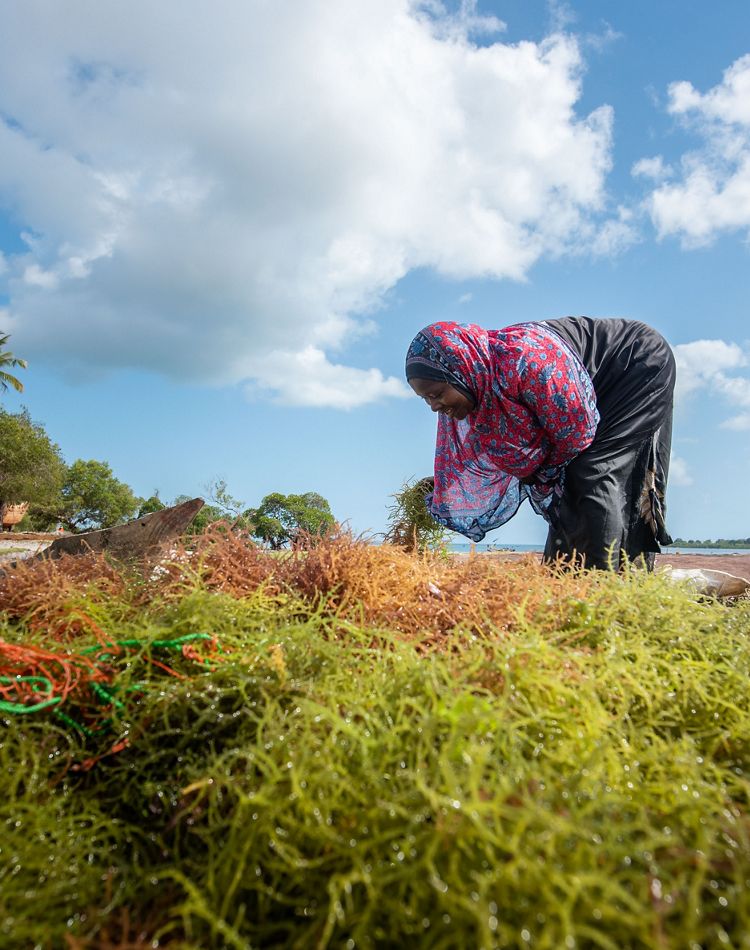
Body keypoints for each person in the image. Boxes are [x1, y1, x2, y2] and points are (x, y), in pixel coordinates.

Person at [405, 317, 676, 571]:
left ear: (460, 369)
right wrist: (442, 491)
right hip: (583, 394)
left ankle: (602, 586)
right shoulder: (482, 393)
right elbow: (489, 462)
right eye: (425, 399)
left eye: (437, 394)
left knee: (593, 470)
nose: (434, 406)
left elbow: (575, 435)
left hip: (634, 366)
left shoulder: (525, 360)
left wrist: (544, 470)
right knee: (570, 481)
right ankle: (562, 578)